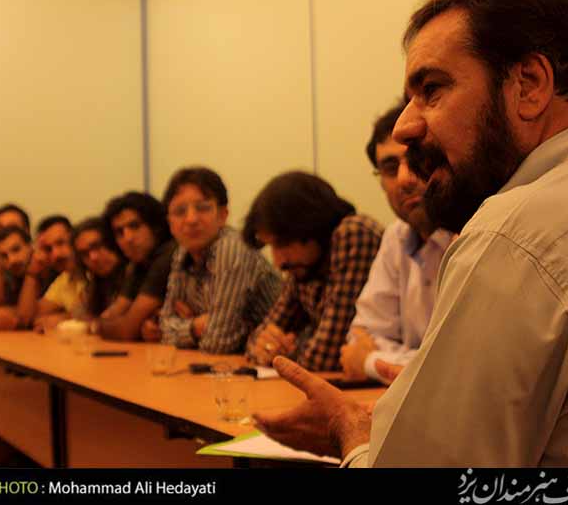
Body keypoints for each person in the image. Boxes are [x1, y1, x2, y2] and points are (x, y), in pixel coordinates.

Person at [254, 0, 568, 466]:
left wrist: (349, 432)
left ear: (529, 86)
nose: (404, 126)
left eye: (432, 89)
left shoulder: (514, 237)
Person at [340, 103, 455, 383]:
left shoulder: (474, 233)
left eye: (418, 159)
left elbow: (459, 368)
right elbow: (362, 333)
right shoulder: (397, 236)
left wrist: (369, 361)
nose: (405, 179)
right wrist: (409, 361)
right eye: (391, 168)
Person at [243, 171, 383, 371]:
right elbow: (260, 336)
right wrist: (264, 346)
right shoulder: (304, 266)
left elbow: (325, 357)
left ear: (311, 224)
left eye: (282, 244)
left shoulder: (353, 233)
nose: (278, 261)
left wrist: (283, 354)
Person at [159, 167, 281, 352]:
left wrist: (188, 327)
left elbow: (219, 342)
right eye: (180, 211)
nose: (191, 219)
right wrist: (195, 327)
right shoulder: (182, 252)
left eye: (202, 208)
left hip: (280, 357)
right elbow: (164, 328)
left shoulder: (231, 248)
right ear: (170, 222)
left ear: (223, 215)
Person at [96, 192, 174, 341]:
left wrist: (99, 326)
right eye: (119, 232)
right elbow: (111, 315)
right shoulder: (138, 263)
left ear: (155, 226)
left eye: (134, 226)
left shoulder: (168, 254)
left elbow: (126, 330)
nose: (128, 238)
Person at [15, 215, 84, 332]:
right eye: (48, 249)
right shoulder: (64, 279)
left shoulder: (94, 268)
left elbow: (99, 312)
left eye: (60, 243)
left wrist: (65, 318)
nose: (56, 254)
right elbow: (26, 318)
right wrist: (33, 271)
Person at [71, 217, 125, 318]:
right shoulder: (95, 284)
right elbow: (79, 315)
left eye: (97, 246)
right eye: (85, 254)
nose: (93, 257)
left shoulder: (136, 274)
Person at [0, 203, 31, 306]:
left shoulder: (43, 261)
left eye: (12, 227)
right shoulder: (4, 260)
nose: (6, 233)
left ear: (27, 231)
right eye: (1, 229)